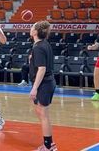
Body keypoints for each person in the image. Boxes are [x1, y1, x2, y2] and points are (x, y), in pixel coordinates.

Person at [29, 20, 58, 151]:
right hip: (46, 83)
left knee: (44, 114)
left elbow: (42, 68)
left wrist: (34, 88)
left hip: (44, 84)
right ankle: (49, 143)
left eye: (32, 27)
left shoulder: (38, 47)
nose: (31, 28)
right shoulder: (43, 44)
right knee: (40, 112)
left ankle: (48, 146)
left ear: (35, 32)